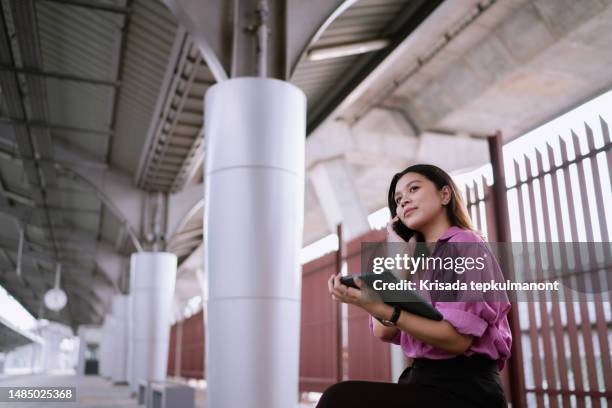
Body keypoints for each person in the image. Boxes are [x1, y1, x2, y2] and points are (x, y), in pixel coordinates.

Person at [318, 164, 512, 408]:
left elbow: (458, 341)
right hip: (422, 382)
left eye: (414, 189)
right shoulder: (415, 262)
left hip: (463, 390)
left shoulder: (464, 243)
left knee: (340, 399)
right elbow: (384, 331)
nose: (404, 201)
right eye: (398, 200)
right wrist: (399, 263)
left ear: (445, 194)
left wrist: (384, 309)